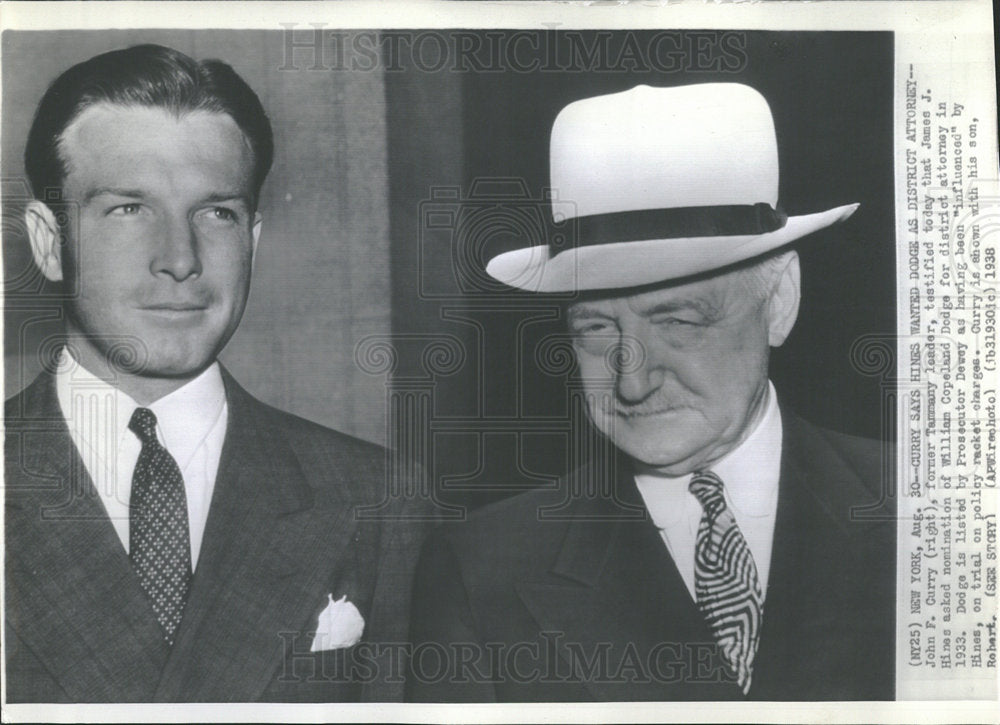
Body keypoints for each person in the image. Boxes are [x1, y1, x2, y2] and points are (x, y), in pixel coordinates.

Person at [407, 83, 895, 701]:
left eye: (678, 321)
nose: (631, 381)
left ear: (780, 302)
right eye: (595, 328)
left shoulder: (933, 514)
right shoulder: (481, 568)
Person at [4, 44, 427, 703]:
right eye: (128, 209)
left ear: (251, 242)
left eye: (216, 212)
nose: (180, 258)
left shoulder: (380, 499)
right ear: (49, 242)